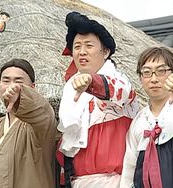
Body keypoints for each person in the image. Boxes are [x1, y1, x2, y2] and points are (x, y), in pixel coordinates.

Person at [56, 11, 140, 188]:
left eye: (89, 45)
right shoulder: (70, 90)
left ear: (106, 51)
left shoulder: (119, 80)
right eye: (77, 47)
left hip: (115, 181)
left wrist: (91, 81)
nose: (82, 52)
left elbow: (122, 92)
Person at [120, 47, 173, 188]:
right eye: (147, 73)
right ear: (140, 78)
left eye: (161, 71)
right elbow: (129, 168)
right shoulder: (138, 121)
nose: (154, 79)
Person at [0, 59, 58, 188]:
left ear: (32, 88)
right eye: (6, 81)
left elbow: (42, 111)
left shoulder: (41, 125)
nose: (11, 86)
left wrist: (21, 95)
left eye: (18, 82)